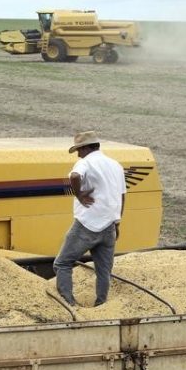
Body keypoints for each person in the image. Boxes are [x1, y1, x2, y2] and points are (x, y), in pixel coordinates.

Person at [54, 131, 126, 307]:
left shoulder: (85, 162)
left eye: (79, 149)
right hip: (109, 226)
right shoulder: (116, 165)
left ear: (86, 147)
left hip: (87, 224)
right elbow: (122, 195)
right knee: (104, 271)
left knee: (62, 263)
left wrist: (79, 194)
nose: (78, 154)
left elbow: (74, 176)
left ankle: (69, 304)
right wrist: (117, 222)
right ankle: (101, 304)